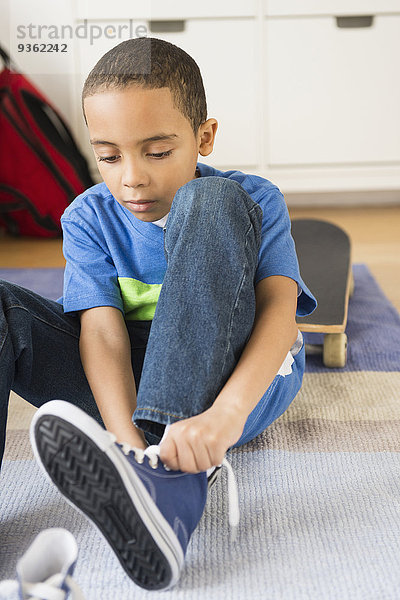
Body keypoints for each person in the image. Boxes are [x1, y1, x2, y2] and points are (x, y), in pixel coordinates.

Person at [2, 37, 317, 591]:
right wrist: (126, 446)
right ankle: (146, 474)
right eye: (108, 156)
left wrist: (225, 416)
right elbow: (100, 334)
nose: (131, 178)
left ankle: (169, 489)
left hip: (235, 380)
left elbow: (280, 318)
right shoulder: (87, 217)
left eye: (156, 151)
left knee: (212, 203)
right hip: (126, 388)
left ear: (204, 137)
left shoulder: (249, 198)